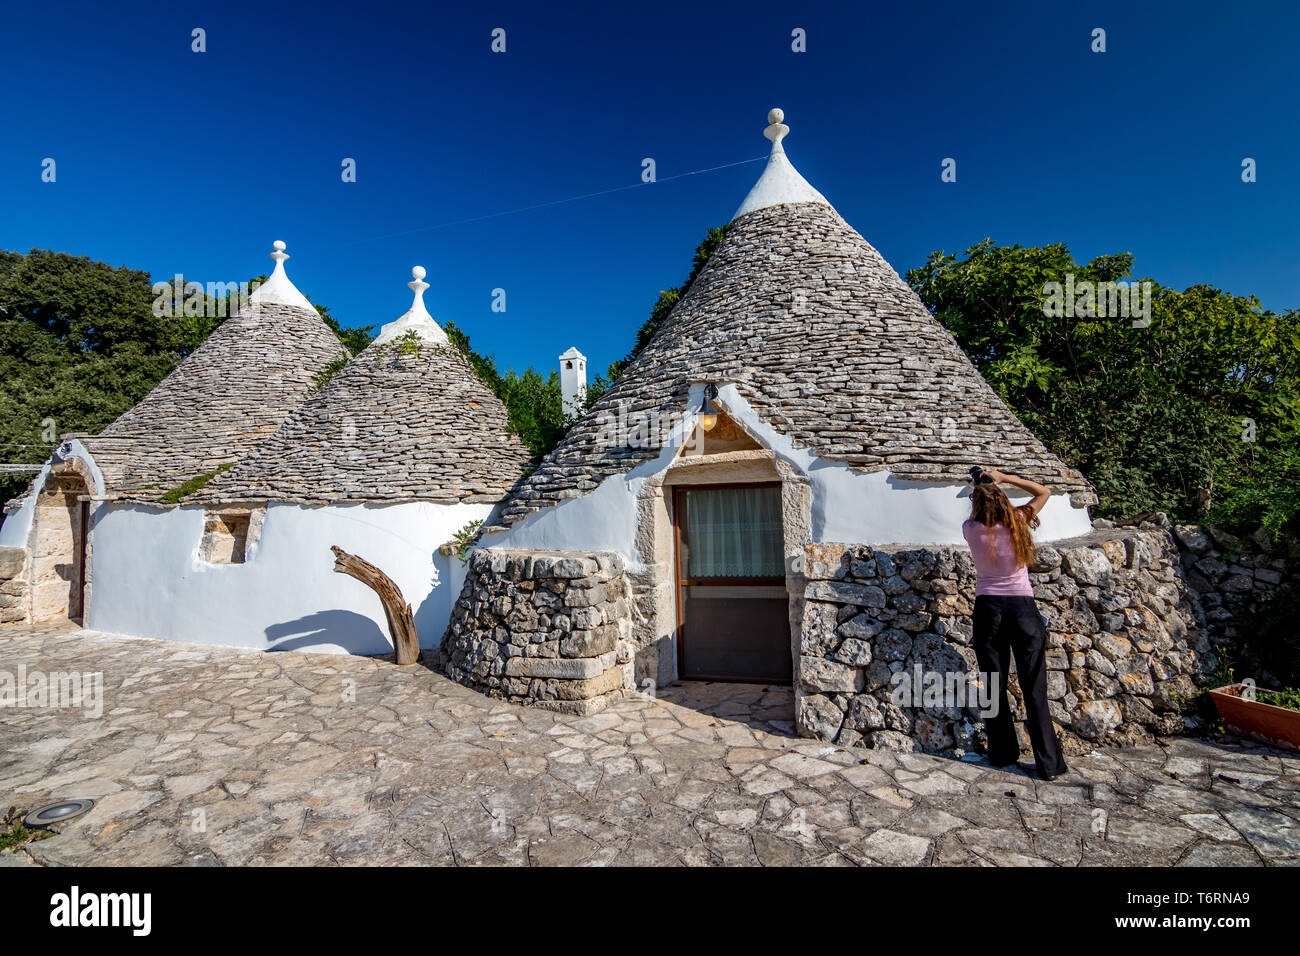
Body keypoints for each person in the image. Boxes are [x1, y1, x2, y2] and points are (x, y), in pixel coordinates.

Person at [962, 467, 1069, 781]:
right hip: (1023, 608)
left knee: (994, 686)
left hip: (988, 609)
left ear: (975, 503)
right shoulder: (1019, 521)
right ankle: (1048, 764)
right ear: (1003, 500)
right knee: (1034, 688)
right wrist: (1004, 478)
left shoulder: (970, 528)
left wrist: (978, 482)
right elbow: (1043, 491)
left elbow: (978, 504)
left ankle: (1002, 752)